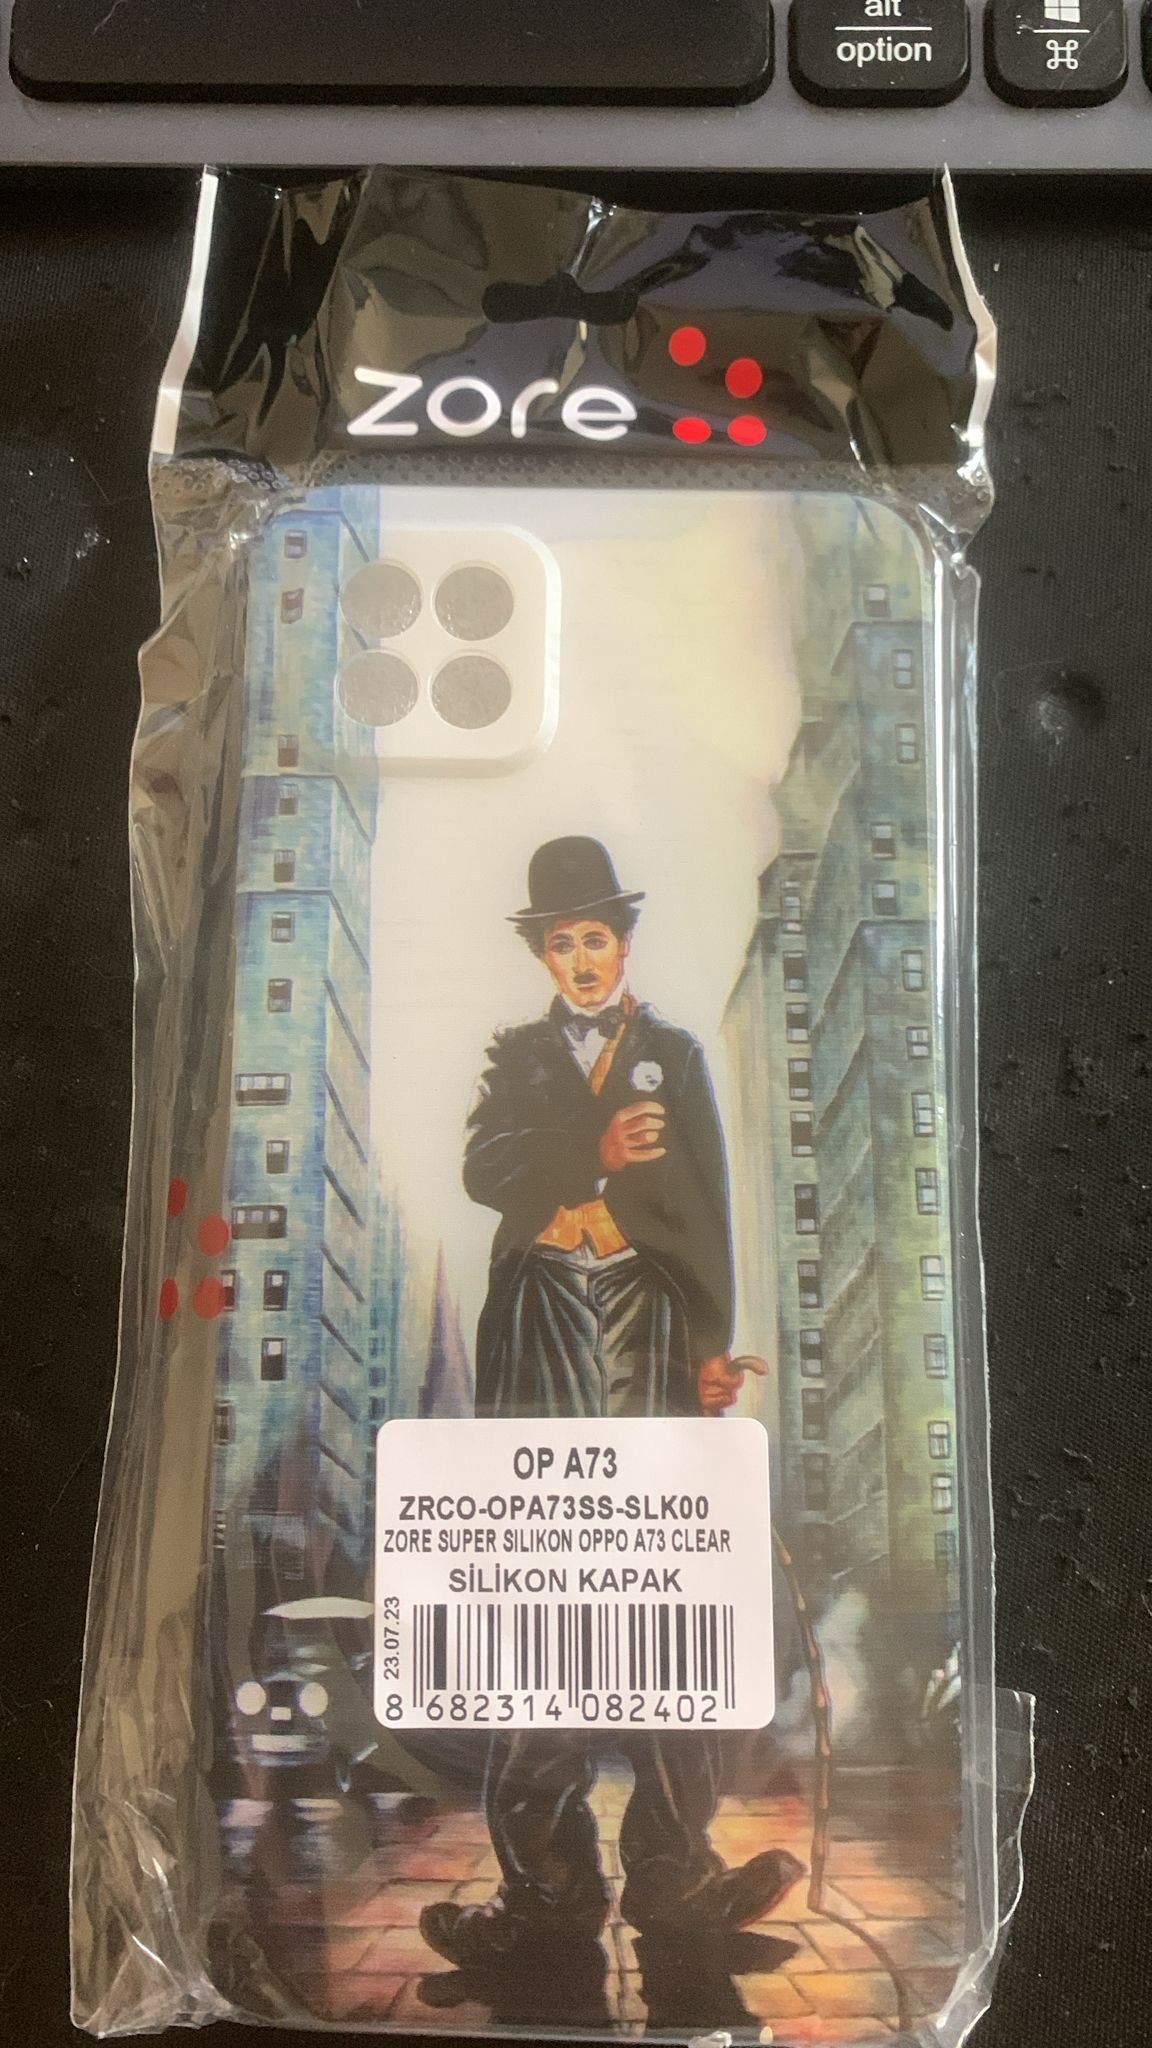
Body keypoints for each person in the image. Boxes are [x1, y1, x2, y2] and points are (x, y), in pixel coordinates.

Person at [419, 837, 800, 1972]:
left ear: (623, 944)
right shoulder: (518, 1054)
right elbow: (486, 1170)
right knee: (540, 1597)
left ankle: (675, 1882)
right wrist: (587, 1149)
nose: (581, 958)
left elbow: (704, 1208)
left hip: (647, 1318)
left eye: (596, 937)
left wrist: (710, 1351)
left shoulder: (672, 1054)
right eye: (562, 942)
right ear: (542, 954)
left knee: (666, 1592)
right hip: (541, 1313)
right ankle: (546, 1895)